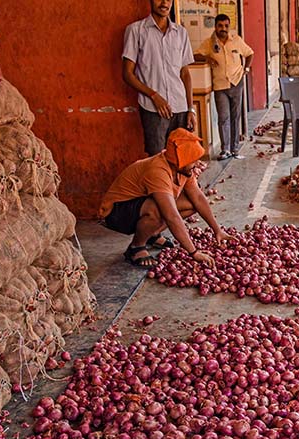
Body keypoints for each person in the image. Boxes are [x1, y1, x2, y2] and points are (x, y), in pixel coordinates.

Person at [99, 129, 234, 268]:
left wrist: (217, 230)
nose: (196, 164)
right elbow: (171, 216)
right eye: (192, 161)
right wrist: (193, 252)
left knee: (192, 204)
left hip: (140, 204)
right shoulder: (158, 171)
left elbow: (198, 198)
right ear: (179, 161)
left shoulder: (184, 169)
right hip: (116, 212)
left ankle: (152, 234)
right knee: (158, 209)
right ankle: (136, 248)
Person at [123, 0, 196, 157]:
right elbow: (127, 74)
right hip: (153, 109)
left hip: (180, 108)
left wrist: (191, 109)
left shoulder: (181, 33)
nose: (164, 3)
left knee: (181, 159)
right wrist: (154, 95)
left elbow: (185, 73)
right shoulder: (136, 31)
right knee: (157, 160)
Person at [194, 14, 253, 161]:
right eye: (220, 26)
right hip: (219, 85)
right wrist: (207, 58)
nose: (223, 29)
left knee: (235, 117)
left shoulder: (236, 40)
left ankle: (235, 149)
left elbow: (250, 53)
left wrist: (246, 69)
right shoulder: (209, 43)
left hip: (236, 82)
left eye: (226, 26)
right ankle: (225, 150)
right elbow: (194, 55)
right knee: (223, 118)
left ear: (229, 26)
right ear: (215, 27)